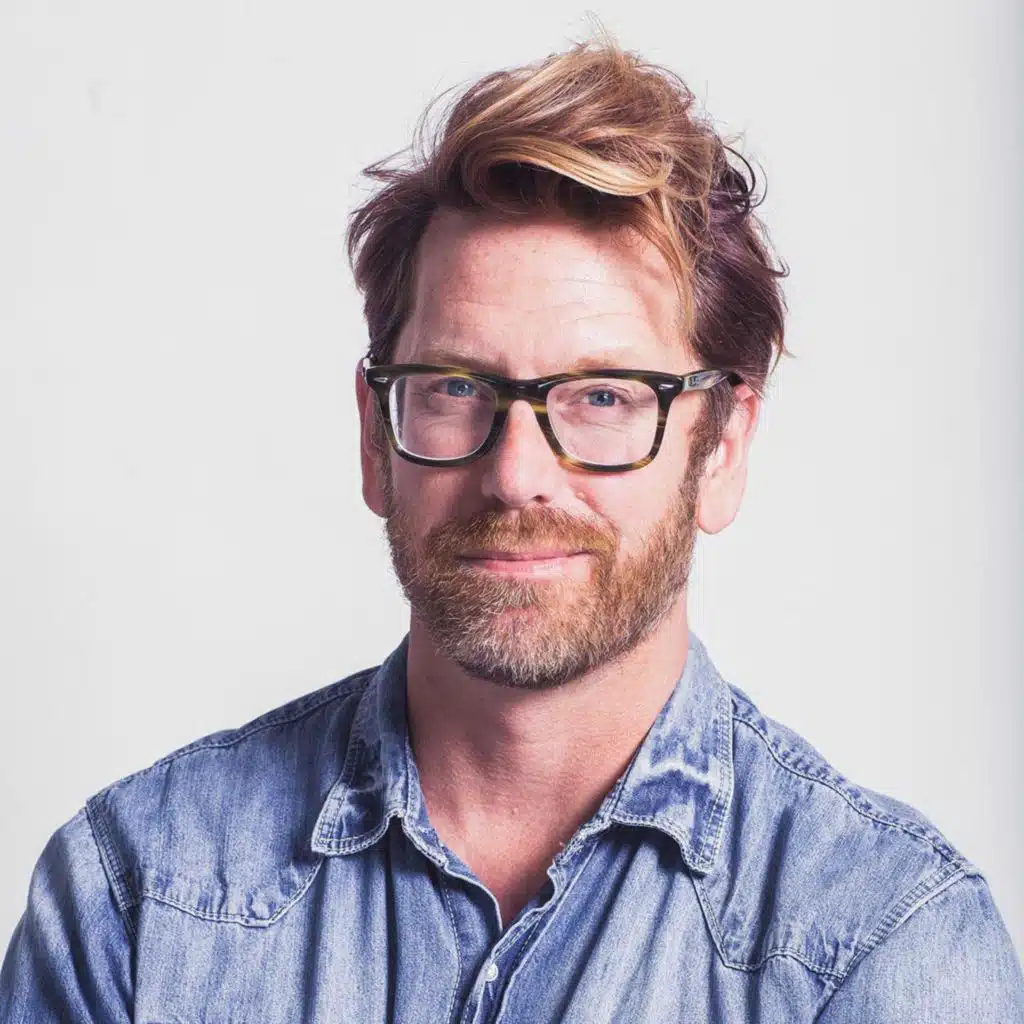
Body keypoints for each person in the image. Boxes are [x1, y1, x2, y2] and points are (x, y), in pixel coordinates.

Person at [1, 36, 1021, 1024]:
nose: (516, 475)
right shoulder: (137, 899)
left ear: (721, 448)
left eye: (604, 397)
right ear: (374, 435)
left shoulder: (886, 947)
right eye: (455, 387)